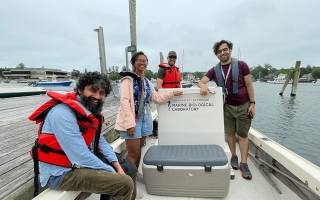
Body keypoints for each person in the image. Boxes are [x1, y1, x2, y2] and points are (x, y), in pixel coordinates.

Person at [29, 72, 139, 200]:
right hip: (61, 174)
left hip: (78, 164)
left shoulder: (87, 111)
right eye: (93, 90)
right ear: (80, 89)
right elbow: (80, 155)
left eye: (102, 93)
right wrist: (113, 172)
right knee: (123, 184)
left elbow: (101, 143)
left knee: (130, 169)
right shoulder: (62, 113)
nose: (97, 96)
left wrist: (118, 168)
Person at [115, 51, 183, 185]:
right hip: (132, 119)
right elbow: (124, 102)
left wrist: (172, 93)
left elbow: (156, 98)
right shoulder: (127, 80)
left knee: (139, 149)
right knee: (133, 153)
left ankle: (135, 173)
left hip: (145, 118)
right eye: (139, 60)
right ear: (134, 63)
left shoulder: (146, 82)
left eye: (144, 61)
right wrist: (129, 124)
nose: (142, 63)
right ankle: (128, 184)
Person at [198, 40, 255, 180]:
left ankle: (244, 163)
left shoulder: (242, 65)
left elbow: (249, 85)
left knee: (243, 136)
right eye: (219, 51)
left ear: (230, 50)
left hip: (243, 105)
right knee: (230, 134)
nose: (222, 53)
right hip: (227, 107)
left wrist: (252, 103)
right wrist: (203, 86)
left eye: (225, 50)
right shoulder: (214, 70)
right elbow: (201, 81)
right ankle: (234, 157)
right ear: (216, 55)